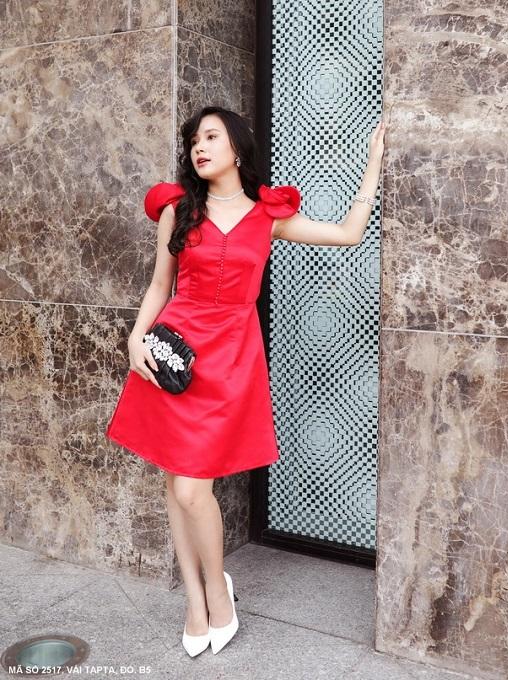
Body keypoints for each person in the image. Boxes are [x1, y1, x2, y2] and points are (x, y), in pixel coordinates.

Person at [105, 105, 385, 657]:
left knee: (192, 488)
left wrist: (373, 161)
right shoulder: (179, 209)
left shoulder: (267, 215)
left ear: (237, 146)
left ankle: (218, 588)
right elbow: (160, 285)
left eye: (211, 137)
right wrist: (136, 339)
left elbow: (349, 234)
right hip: (174, 354)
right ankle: (197, 599)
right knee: (178, 485)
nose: (199, 147)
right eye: (194, 140)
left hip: (231, 358)